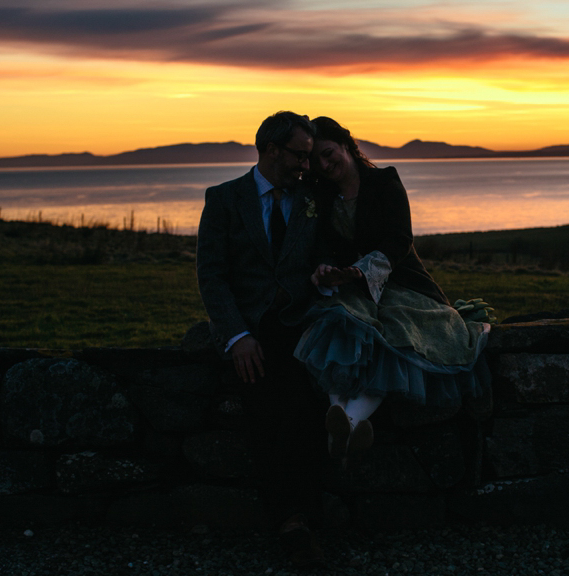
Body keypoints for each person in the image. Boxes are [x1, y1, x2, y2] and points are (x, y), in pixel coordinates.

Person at [295, 116, 491, 461]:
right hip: (350, 289)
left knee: (392, 334)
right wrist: (325, 266)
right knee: (342, 325)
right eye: (317, 162)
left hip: (400, 283)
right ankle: (345, 423)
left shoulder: (384, 181)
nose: (325, 166)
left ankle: (348, 423)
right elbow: (322, 244)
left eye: (329, 154)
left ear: (346, 144)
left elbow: (400, 240)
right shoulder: (321, 194)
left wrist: (360, 271)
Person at [196, 111, 327, 569]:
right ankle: (294, 522)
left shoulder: (312, 197)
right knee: (267, 410)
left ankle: (299, 519)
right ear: (271, 150)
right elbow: (211, 277)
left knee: (304, 409)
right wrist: (236, 336)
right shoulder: (225, 199)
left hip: (300, 324)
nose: (305, 166)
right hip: (249, 329)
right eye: (299, 155)